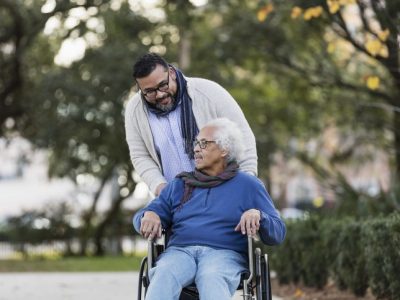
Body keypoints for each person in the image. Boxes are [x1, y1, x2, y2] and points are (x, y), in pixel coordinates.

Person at [133, 118, 286, 300]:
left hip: (224, 254)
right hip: (180, 252)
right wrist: (148, 215)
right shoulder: (180, 184)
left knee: (211, 276)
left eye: (204, 143)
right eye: (196, 143)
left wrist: (259, 215)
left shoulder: (248, 185)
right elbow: (140, 219)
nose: (196, 149)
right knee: (164, 273)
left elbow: (278, 232)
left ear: (224, 149)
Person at [125, 52, 257, 196]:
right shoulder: (134, 110)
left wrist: (247, 182)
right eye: (149, 92)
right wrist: (160, 187)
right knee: (141, 218)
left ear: (171, 72)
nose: (159, 95)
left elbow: (242, 135)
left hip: (223, 193)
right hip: (176, 202)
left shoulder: (209, 92)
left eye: (163, 85)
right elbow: (140, 155)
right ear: (140, 89)